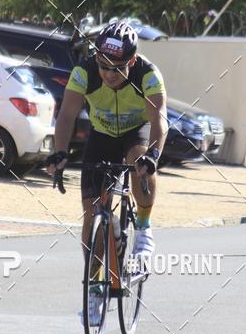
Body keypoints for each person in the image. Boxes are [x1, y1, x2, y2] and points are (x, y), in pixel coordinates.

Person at [46, 21, 168, 316]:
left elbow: (159, 120)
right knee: (92, 216)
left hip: (135, 132)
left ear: (132, 62)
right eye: (104, 66)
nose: (109, 74)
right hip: (101, 137)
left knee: (140, 160)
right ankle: (95, 286)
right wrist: (59, 152)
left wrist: (152, 155)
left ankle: (143, 227)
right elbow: (67, 115)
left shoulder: (147, 74)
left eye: (118, 68)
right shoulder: (84, 71)